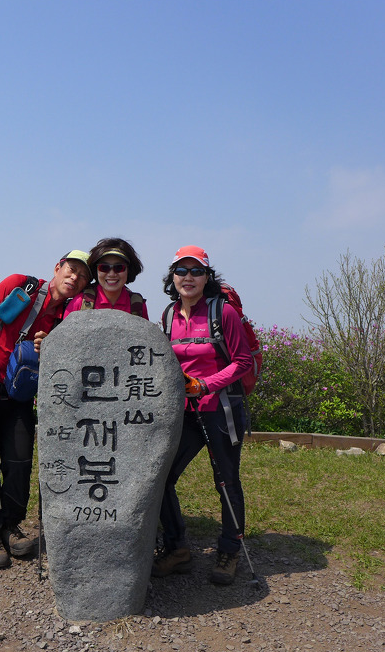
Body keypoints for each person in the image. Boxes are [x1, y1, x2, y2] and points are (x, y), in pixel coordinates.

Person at [0, 250, 91, 569]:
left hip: (17, 398)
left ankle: (11, 525)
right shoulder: (21, 287)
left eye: (83, 276)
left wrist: (51, 344)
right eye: (71, 269)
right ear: (58, 268)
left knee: (19, 462)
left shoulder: (64, 319)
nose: (75, 278)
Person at [153, 245, 254, 585]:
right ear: (173, 277)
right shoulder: (168, 315)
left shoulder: (223, 312)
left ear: (207, 277)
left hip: (220, 410)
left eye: (196, 271)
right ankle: (177, 548)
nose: (189, 277)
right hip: (183, 413)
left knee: (226, 481)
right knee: (162, 477)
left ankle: (229, 551)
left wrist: (206, 385)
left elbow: (243, 362)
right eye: (181, 271)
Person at [63, 237, 150, 320]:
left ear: (129, 270)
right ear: (96, 270)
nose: (111, 274)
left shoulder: (137, 306)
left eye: (119, 267)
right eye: (104, 267)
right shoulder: (79, 303)